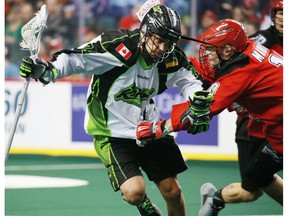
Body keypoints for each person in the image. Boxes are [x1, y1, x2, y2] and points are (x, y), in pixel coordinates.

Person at [19, 4, 206, 216]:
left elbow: (189, 81)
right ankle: (144, 207)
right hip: (111, 134)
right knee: (135, 192)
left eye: (169, 43)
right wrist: (46, 70)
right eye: (159, 40)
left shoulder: (171, 58)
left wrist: (197, 96)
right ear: (145, 31)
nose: (163, 48)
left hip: (149, 128)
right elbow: (75, 59)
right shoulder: (118, 45)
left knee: (172, 191)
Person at [136, 18, 283, 215]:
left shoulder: (241, 71)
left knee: (256, 177)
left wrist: (159, 128)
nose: (207, 54)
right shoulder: (247, 49)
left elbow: (201, 108)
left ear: (228, 50)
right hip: (278, 132)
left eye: (212, 50)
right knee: (257, 175)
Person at [194, 1, 283, 216]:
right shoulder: (261, 40)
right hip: (251, 124)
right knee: (251, 188)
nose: (283, 18)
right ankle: (216, 198)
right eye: (280, 13)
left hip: (277, 119)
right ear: (273, 15)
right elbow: (229, 70)